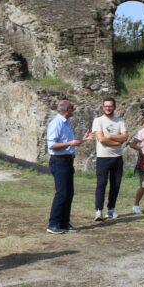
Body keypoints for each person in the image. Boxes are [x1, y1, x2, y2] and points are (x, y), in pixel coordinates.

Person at [46, 99, 94, 234]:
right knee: (62, 193)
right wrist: (70, 143)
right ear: (67, 109)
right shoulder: (56, 123)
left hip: (67, 160)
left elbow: (70, 143)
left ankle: (64, 222)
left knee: (68, 193)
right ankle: (53, 224)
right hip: (59, 161)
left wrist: (82, 139)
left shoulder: (66, 123)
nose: (74, 110)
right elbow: (52, 145)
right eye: (72, 107)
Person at [91, 97, 129, 221]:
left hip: (117, 158)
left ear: (114, 107)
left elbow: (125, 137)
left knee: (115, 185)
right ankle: (98, 211)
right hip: (103, 157)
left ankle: (111, 209)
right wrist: (117, 142)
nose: (108, 108)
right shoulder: (98, 121)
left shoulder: (120, 121)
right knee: (101, 184)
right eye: (106, 106)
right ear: (103, 107)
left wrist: (110, 136)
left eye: (110, 106)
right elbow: (101, 139)